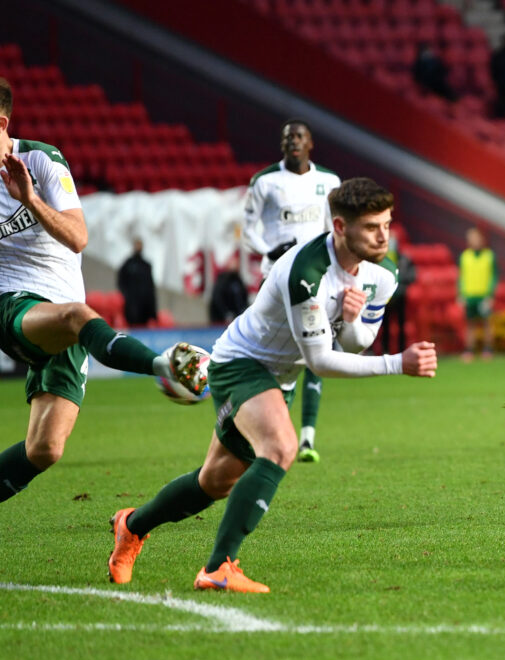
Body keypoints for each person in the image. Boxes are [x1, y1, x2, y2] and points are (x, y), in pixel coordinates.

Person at [107, 177, 438, 593]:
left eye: (386, 224)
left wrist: (353, 320)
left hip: (279, 377)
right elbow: (320, 361)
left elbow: (356, 342)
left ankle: (132, 525)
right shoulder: (307, 272)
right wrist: (397, 364)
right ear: (339, 227)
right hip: (240, 364)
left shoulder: (384, 274)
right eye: (371, 227)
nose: (383, 236)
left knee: (214, 482)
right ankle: (219, 568)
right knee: (281, 447)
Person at [0, 77, 207, 504]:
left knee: (45, 449)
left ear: (2, 124)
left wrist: (31, 200)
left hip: (61, 314)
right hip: (13, 306)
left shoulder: (41, 160)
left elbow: (78, 237)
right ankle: (166, 365)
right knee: (78, 316)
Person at [243, 119, 341, 463]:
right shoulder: (264, 181)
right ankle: (271, 432)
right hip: (275, 278)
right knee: (275, 355)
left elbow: (334, 231)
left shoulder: (330, 182)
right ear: (282, 144)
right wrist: (269, 250)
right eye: (287, 137)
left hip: (316, 279)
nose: (293, 141)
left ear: (310, 143)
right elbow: (247, 230)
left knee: (317, 349)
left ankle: (307, 439)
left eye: (299, 136)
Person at [458, 227, 498, 361]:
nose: (475, 241)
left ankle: (488, 349)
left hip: (484, 295)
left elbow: (494, 276)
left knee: (487, 323)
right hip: (469, 295)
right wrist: (461, 294)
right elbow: (461, 277)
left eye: (477, 238)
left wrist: (491, 294)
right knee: (470, 324)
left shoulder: (489, 256)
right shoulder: (464, 256)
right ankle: (469, 349)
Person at [381, 235, 415, 353]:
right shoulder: (382, 259)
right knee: (384, 326)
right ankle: (385, 350)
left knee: (401, 325)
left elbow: (412, 275)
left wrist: (400, 281)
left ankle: (402, 350)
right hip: (385, 297)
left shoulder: (404, 259)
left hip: (400, 296)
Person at [208, 255, 249, 324]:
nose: (236, 266)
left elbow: (243, 296)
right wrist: (225, 313)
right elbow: (218, 298)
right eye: (233, 264)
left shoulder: (238, 280)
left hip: (236, 317)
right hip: (220, 319)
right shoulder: (222, 279)